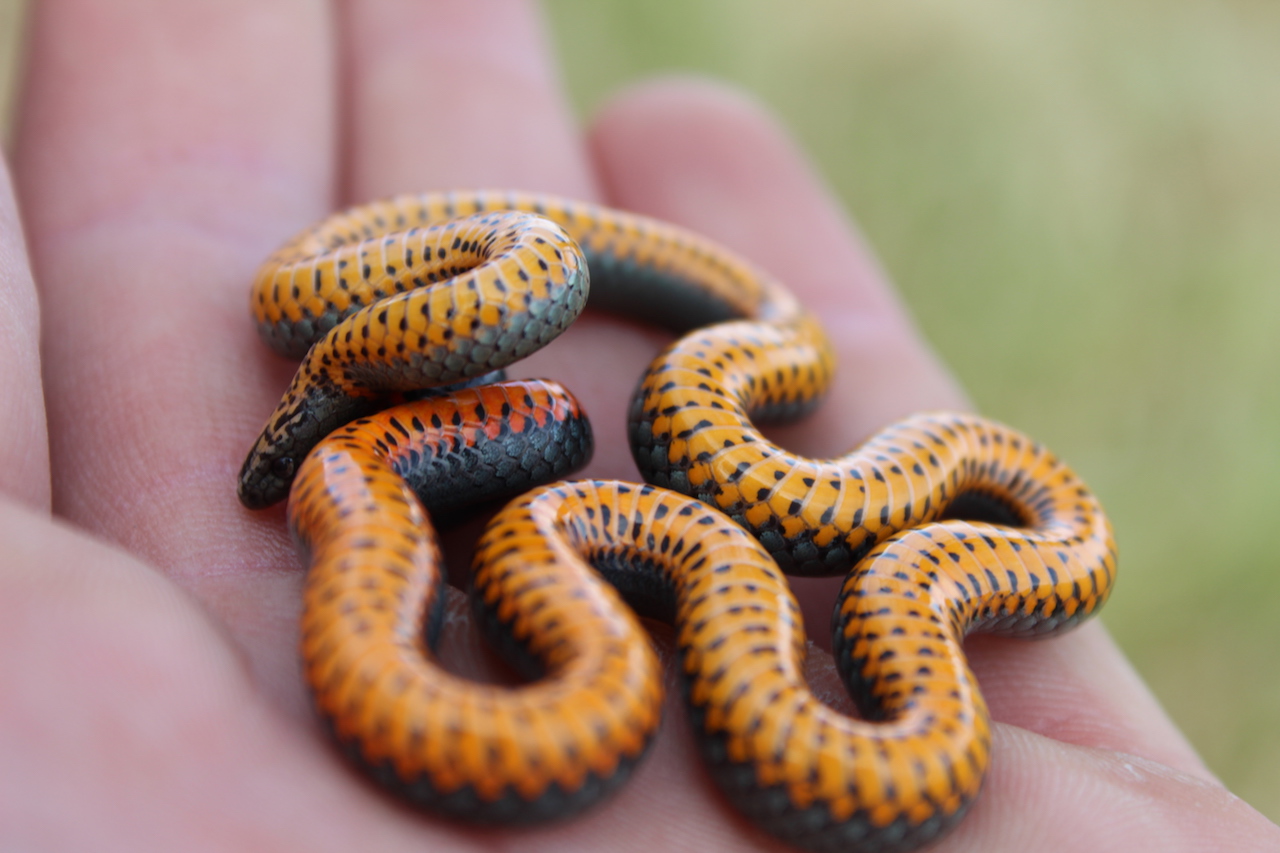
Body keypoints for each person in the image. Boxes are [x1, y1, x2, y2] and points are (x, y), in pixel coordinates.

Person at [0, 2, 1274, 850]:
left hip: (676, 529)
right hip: (530, 556)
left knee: (588, 432)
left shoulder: (749, 401)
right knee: (514, 439)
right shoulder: (376, 457)